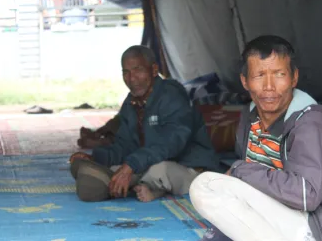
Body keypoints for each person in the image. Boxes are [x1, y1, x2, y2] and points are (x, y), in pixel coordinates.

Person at [189, 35, 322, 241]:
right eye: (259, 75)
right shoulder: (250, 116)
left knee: (205, 185)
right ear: (245, 81)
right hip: (289, 219)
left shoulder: (312, 123)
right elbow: (255, 184)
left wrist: (239, 170)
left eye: (279, 74)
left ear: (294, 78)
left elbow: (307, 196)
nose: (269, 86)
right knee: (224, 193)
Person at [69, 45, 219, 203]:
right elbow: (124, 146)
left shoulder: (172, 95)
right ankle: (132, 185)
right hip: (148, 164)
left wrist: (131, 166)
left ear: (154, 70)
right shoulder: (131, 103)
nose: (131, 78)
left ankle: (145, 188)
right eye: (126, 72)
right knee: (111, 172)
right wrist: (96, 158)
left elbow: (172, 142)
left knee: (159, 170)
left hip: (190, 168)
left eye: (138, 70)